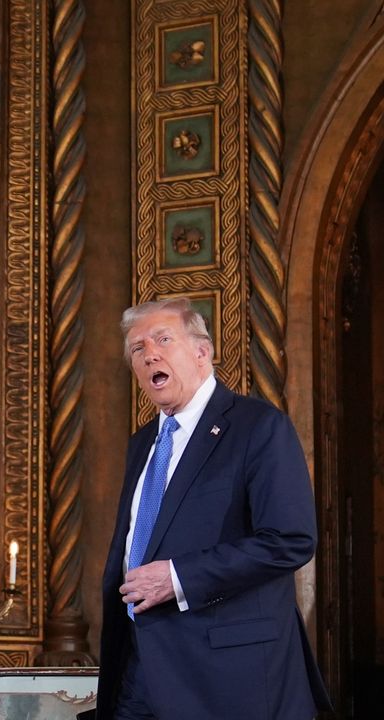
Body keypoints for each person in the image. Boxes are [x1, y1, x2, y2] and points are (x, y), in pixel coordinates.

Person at [93, 298, 331, 720]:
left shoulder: (258, 426)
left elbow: (290, 540)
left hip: (225, 676)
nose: (149, 354)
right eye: (137, 348)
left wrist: (178, 577)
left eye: (163, 339)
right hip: (140, 668)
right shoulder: (142, 443)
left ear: (202, 352)